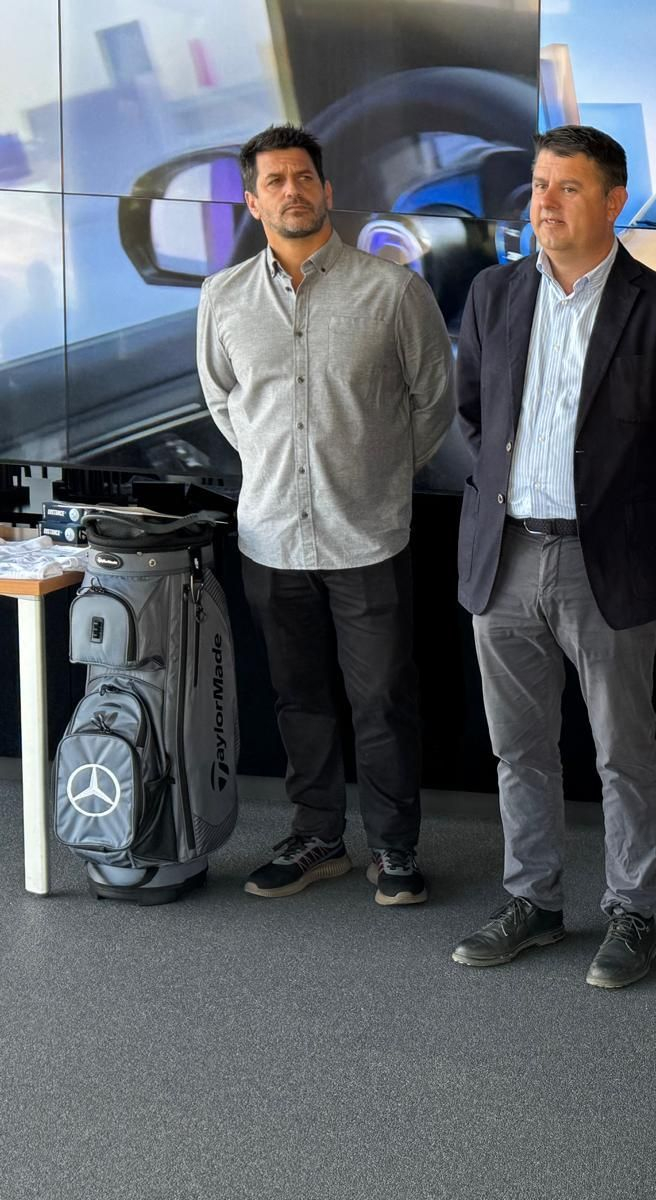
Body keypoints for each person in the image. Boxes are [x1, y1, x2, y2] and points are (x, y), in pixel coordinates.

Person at [450, 125, 656, 989]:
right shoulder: (493, 295)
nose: (544, 202)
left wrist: (643, 525)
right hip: (504, 557)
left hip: (607, 565)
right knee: (519, 748)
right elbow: (470, 417)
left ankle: (632, 912)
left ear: (613, 201)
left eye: (566, 188)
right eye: (538, 186)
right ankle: (531, 901)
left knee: (621, 750)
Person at [196, 124, 452, 905]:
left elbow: (433, 402)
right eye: (273, 181)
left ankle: (395, 849)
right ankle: (317, 838)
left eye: (303, 177)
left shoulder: (393, 290)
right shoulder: (223, 297)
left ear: (327, 190)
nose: (291, 191)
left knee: (382, 698)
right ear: (253, 199)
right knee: (298, 698)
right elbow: (221, 398)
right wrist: (278, 469)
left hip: (367, 536)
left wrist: (374, 475)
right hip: (270, 535)